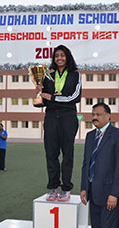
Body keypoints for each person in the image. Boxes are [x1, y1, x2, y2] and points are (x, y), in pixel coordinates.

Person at [37, 44, 82, 201]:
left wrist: (54, 98)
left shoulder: (75, 74)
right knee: (51, 152)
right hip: (50, 116)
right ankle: (53, 186)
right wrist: (39, 92)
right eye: (56, 56)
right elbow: (43, 99)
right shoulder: (48, 75)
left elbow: (75, 97)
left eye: (62, 55)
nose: (59, 58)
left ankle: (66, 187)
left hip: (68, 116)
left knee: (67, 153)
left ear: (67, 57)